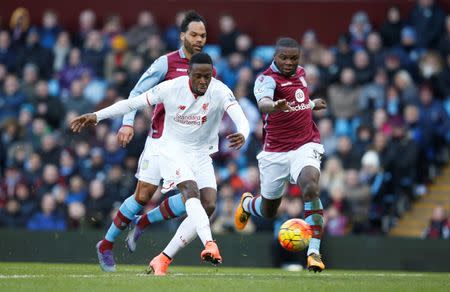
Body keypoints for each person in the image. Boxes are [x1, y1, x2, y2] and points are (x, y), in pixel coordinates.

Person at [70, 53, 250, 274]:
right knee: (185, 192)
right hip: (171, 150)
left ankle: (161, 257)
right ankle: (209, 244)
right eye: (198, 76)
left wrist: (243, 132)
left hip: (201, 153)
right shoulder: (171, 87)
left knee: (209, 205)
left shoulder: (220, 90)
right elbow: (132, 102)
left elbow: (240, 116)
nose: (203, 81)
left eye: (207, 76)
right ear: (188, 74)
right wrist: (97, 116)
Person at [233, 37, 327, 272]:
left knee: (310, 187)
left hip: (306, 145)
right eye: (284, 58)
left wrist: (312, 104)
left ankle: (314, 252)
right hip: (275, 152)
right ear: (275, 57)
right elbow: (264, 102)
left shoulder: (302, 73)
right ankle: (248, 204)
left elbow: (299, 101)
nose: (288, 62)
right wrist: (273, 106)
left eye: (293, 58)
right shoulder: (266, 79)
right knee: (268, 211)